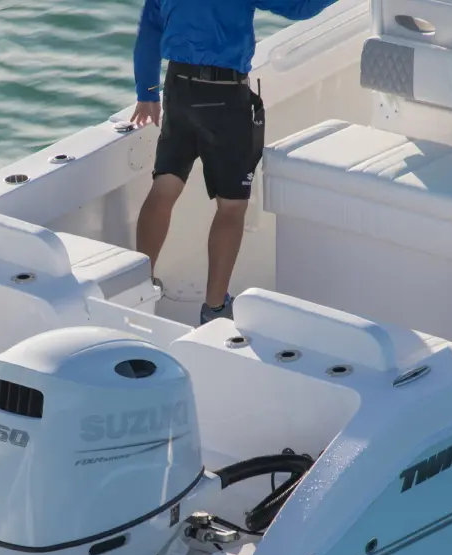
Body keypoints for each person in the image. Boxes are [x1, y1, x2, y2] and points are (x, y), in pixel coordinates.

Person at [131, 0, 339, 325]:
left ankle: (138, 287)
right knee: (231, 207)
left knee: (165, 185)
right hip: (224, 96)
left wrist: (147, 91)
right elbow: (299, 7)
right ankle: (215, 308)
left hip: (178, 88)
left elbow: (150, 31)